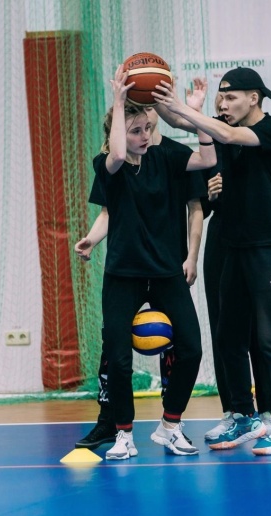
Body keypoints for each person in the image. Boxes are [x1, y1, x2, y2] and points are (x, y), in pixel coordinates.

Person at [153, 67, 271, 455]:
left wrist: (183, 107)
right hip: (232, 247)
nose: (224, 103)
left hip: (268, 246)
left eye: (231, 97)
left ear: (254, 98)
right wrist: (158, 98)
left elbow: (229, 135)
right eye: (221, 97)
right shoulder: (222, 129)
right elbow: (180, 122)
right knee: (228, 336)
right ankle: (242, 415)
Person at [73, 65, 216, 460]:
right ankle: (123, 434)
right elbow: (111, 199)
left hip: (166, 271)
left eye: (148, 129)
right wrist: (92, 240)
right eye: (136, 131)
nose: (145, 136)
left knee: (191, 348)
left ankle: (170, 426)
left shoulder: (166, 154)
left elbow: (207, 157)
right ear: (118, 133)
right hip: (124, 274)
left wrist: (193, 113)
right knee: (118, 358)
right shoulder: (108, 164)